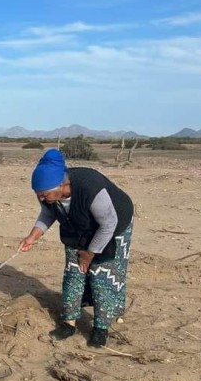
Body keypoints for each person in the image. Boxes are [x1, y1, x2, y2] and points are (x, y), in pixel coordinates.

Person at [18, 148, 134, 348]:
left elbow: (108, 224)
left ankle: (100, 328)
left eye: (45, 195)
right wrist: (32, 237)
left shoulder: (90, 187)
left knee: (101, 274)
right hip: (77, 226)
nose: (42, 198)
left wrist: (89, 255)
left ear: (63, 185)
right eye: (39, 195)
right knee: (73, 273)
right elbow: (48, 213)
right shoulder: (48, 195)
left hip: (112, 226)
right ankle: (69, 323)